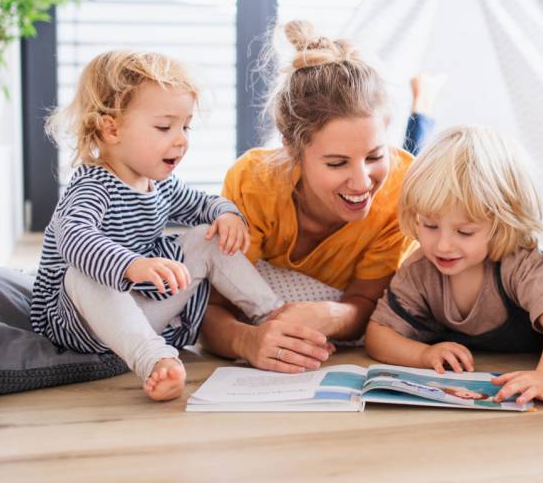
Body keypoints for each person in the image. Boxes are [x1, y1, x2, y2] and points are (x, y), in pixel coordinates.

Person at [31, 51, 282, 401]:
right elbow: (73, 239)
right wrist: (131, 265)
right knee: (82, 272)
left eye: (185, 126)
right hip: (79, 321)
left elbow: (202, 204)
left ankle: (272, 313)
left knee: (204, 237)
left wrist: (226, 214)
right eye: (165, 127)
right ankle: (155, 359)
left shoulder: (159, 184)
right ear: (112, 127)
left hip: (137, 312)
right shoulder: (92, 187)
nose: (181, 140)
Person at [200, 20, 434, 373]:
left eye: (374, 156)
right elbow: (211, 309)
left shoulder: (400, 190)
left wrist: (332, 314)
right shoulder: (254, 182)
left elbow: (368, 304)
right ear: (293, 150)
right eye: (337, 163)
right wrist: (245, 340)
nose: (361, 182)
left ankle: (425, 100)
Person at [366, 126, 543, 412]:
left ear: (501, 225)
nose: (443, 245)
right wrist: (424, 354)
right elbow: (378, 334)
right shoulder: (419, 268)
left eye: (464, 232)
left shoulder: (518, 263)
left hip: (534, 361)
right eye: (429, 225)